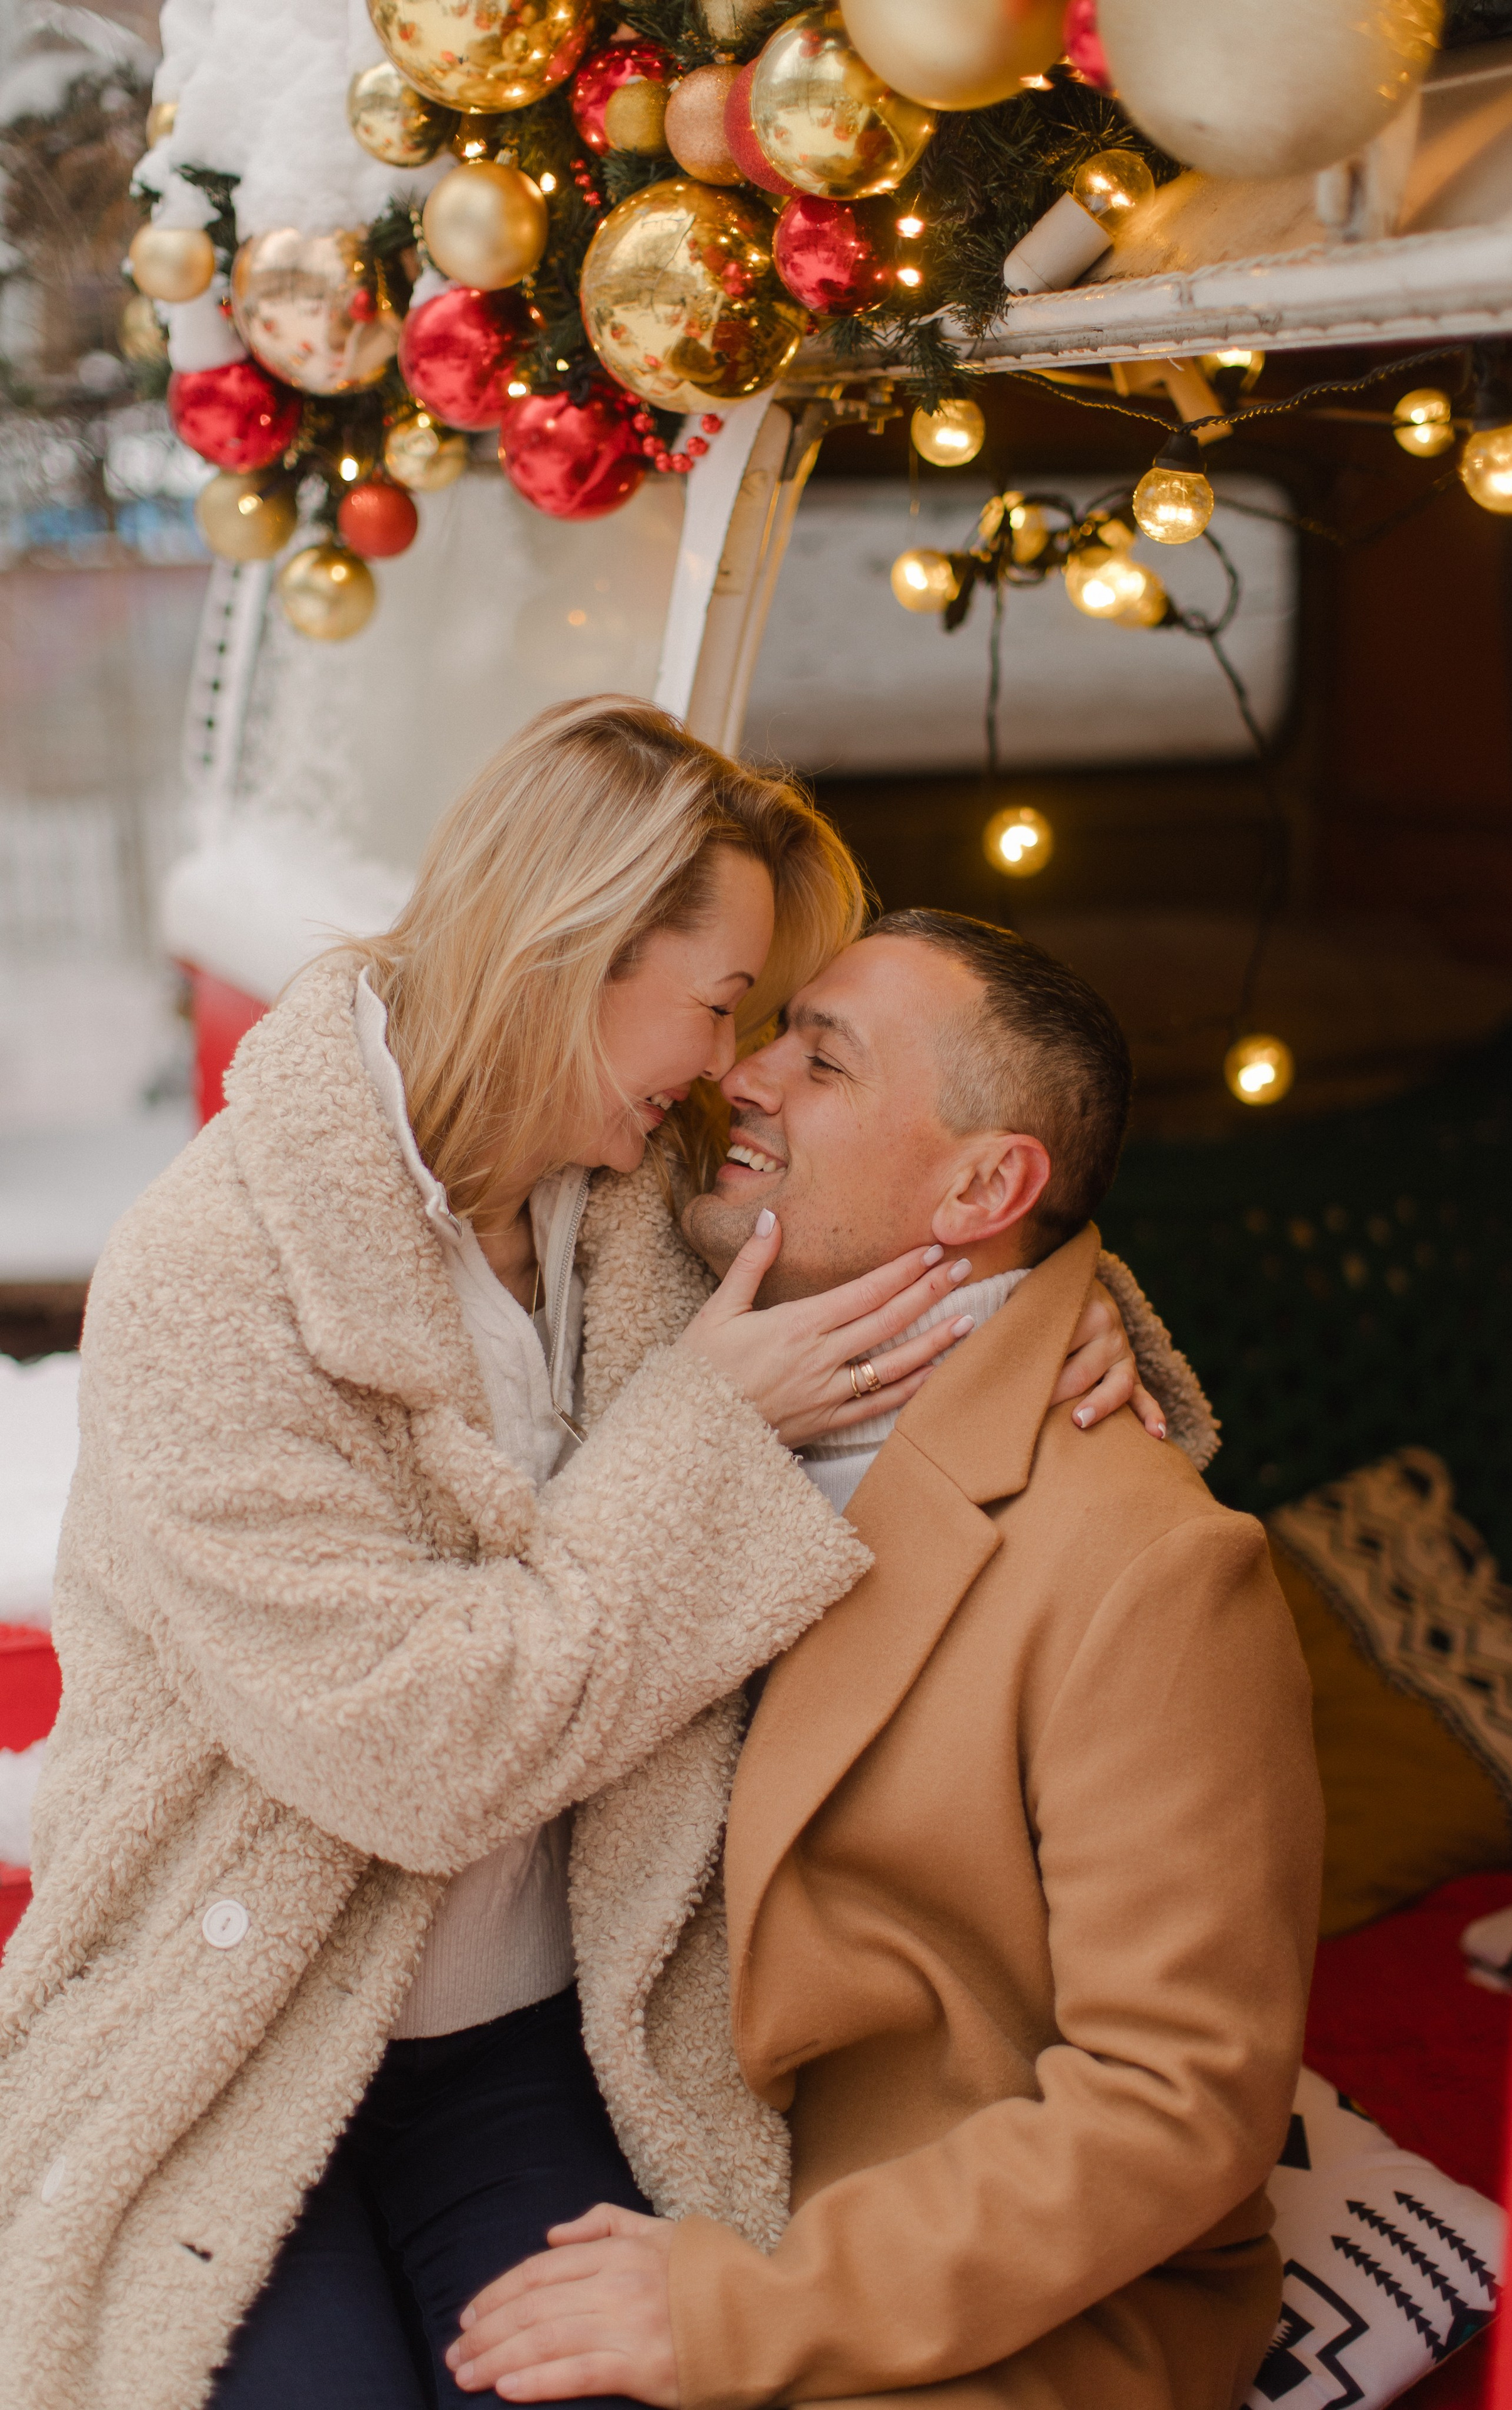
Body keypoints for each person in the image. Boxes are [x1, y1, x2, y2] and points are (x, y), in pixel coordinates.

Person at [0, 712, 1165, 2410]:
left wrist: (1071, 1316)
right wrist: (703, 1429)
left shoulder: (639, 1198)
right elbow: (419, 1754)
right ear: (572, 955)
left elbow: (930, 1205)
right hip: (225, 2020)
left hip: (528, 2040)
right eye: (717, 1006)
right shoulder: (210, 1276)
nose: (730, 1067)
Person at [444, 911, 1325, 2410]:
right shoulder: (698, 1331)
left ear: (987, 1183)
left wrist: (739, 2310)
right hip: (655, 2146)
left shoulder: (1153, 1569)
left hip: (971, 2291)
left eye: (822, 1057)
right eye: (767, 1027)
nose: (751, 1078)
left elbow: (1173, 2104)